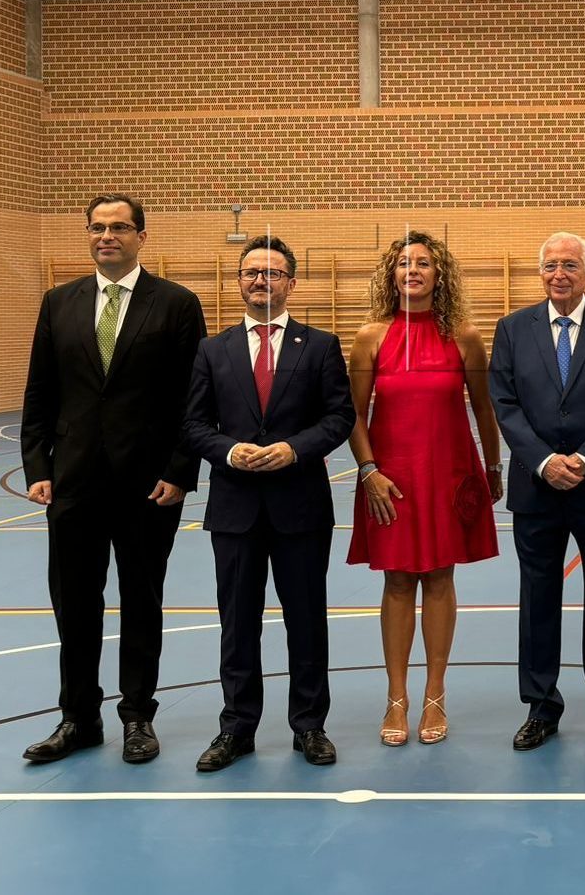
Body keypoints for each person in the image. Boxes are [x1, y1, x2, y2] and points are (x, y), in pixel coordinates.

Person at [19, 193, 206, 764]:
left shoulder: (175, 304)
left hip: (149, 487)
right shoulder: (59, 303)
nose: (107, 236)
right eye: (98, 227)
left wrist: (180, 472)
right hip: (74, 484)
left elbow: (191, 401)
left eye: (120, 227)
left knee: (141, 603)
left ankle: (137, 717)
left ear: (141, 238)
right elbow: (40, 393)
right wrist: (38, 468)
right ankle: (78, 717)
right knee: (73, 604)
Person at [181, 236, 354, 771]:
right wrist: (230, 451)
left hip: (299, 505)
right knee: (238, 624)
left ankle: (309, 725)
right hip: (235, 509)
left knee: (307, 619)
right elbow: (191, 424)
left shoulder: (320, 345)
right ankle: (237, 727)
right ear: (238, 282)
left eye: (273, 273)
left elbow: (339, 417)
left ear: (291, 283)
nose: (262, 281)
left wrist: (293, 450)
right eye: (252, 272)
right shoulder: (213, 350)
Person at [346, 231, 503, 747]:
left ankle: (435, 693)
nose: (412, 271)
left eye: (423, 264)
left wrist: (494, 469)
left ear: (440, 275)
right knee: (396, 582)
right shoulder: (371, 336)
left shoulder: (465, 337)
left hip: (448, 474)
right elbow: (355, 413)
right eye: (403, 264)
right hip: (389, 480)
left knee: (439, 578)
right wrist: (369, 471)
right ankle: (397, 697)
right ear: (391, 275)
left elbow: (484, 409)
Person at [489, 232, 585, 752]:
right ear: (541, 273)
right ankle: (540, 706)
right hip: (537, 488)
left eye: (570, 265)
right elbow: (504, 402)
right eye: (551, 264)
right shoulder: (512, 329)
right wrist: (542, 460)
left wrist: (584, 459)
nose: (560, 273)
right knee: (538, 597)